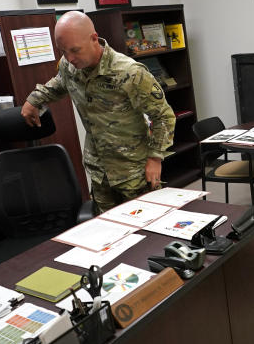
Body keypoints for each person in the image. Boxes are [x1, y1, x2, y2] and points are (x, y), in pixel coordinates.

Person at [22, 12, 175, 213]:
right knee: (110, 233)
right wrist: (34, 100)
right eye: (63, 51)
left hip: (133, 171)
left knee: (147, 230)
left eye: (75, 50)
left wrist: (155, 158)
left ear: (94, 38)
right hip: (99, 171)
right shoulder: (70, 65)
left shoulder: (130, 72)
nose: (69, 58)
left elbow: (163, 116)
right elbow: (60, 82)